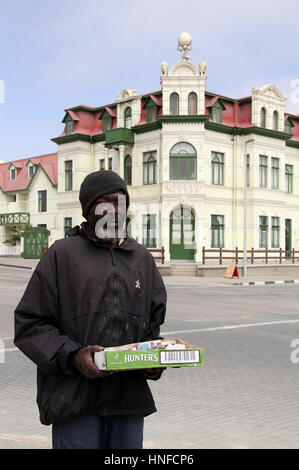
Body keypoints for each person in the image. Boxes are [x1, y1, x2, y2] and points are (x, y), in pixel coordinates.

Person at [14, 170, 167, 449]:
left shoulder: (142, 259)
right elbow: (30, 325)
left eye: (120, 204)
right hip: (74, 402)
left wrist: (153, 360)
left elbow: (150, 330)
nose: (114, 212)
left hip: (127, 404)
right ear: (88, 211)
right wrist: (72, 356)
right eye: (104, 205)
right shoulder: (61, 255)